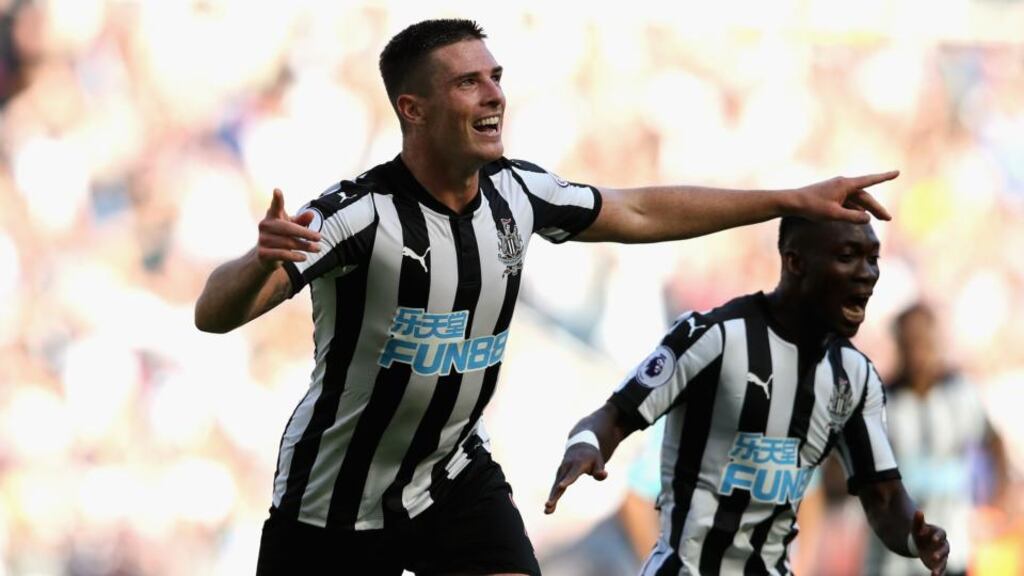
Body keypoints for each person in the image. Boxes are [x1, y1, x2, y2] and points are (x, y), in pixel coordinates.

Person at [195, 18, 897, 576]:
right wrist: (258, 260)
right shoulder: (359, 215)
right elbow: (214, 315)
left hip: (450, 477)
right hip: (332, 499)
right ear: (413, 108)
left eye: (495, 78)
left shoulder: (518, 193)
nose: (495, 94)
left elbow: (640, 213)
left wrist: (787, 199)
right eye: (468, 83)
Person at [545, 217, 951, 576]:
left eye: (873, 258)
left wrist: (915, 537)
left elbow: (882, 496)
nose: (867, 274)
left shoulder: (854, 376)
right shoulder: (714, 339)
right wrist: (590, 441)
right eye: (848, 256)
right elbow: (616, 414)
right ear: (795, 262)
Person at [860, 302, 1006, 576]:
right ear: (898, 344)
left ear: (936, 341)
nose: (917, 352)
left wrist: (998, 495)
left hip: (954, 550)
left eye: (923, 342)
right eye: (909, 343)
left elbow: (993, 441)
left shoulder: (961, 393)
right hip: (894, 560)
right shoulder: (881, 401)